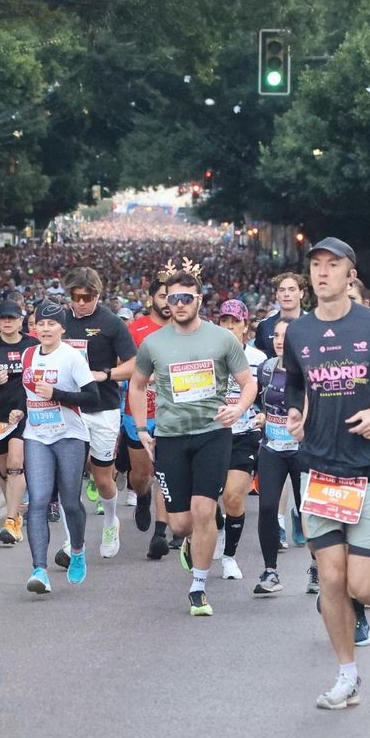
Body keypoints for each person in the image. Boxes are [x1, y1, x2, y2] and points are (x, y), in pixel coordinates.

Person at [280, 237, 370, 709]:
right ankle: (347, 676)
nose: (321, 273)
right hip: (318, 466)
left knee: (361, 583)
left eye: (332, 265)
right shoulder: (298, 331)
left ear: (350, 275)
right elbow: (295, 379)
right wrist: (296, 414)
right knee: (331, 580)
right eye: (315, 265)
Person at [129, 264, 255, 617]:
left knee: (204, 510)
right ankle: (190, 542)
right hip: (170, 436)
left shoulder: (223, 339)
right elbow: (137, 386)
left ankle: (198, 586)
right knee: (181, 522)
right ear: (165, 301)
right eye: (173, 298)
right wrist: (142, 429)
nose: (179, 304)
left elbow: (249, 383)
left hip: (212, 434)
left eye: (186, 298)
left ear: (199, 300)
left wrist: (238, 409)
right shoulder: (153, 343)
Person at [18, 301, 98, 593]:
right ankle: (39, 570)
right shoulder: (28, 355)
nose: (46, 329)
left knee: (70, 501)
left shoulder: (72, 358)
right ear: (35, 327)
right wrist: (18, 411)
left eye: (52, 324)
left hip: (69, 436)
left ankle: (77, 550)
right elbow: (24, 393)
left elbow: (93, 397)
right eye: (41, 323)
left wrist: (58, 394)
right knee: (38, 501)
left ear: (62, 328)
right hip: (37, 435)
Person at [60, 267, 137, 559]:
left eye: (87, 297)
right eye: (76, 297)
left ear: (98, 295)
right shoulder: (61, 319)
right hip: (69, 407)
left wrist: (105, 375)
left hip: (103, 407)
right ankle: (71, 541)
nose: (80, 302)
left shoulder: (111, 323)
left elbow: (133, 364)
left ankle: (110, 522)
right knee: (68, 478)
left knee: (103, 478)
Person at [215, 298, 267, 581]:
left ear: (246, 326)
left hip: (244, 434)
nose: (230, 326)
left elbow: (269, 397)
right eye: (225, 321)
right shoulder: (208, 354)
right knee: (208, 500)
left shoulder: (259, 360)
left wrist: (264, 415)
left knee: (233, 496)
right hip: (211, 434)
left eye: (236, 322)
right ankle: (218, 526)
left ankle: (229, 557)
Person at [253, 318, 303, 595]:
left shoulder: (307, 370)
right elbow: (263, 402)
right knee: (267, 507)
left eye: (287, 335)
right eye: (276, 335)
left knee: (309, 512)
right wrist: (262, 415)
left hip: (301, 450)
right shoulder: (267, 368)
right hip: (272, 447)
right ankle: (270, 571)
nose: (280, 340)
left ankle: (316, 569)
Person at [0, 300, 37, 547]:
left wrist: (23, 409)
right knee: (4, 469)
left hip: (25, 414)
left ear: (20, 320)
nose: (7, 322)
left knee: (16, 463)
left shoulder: (32, 346)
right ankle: (14, 513)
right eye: (3, 318)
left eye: (12, 318)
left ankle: (11, 519)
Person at [125, 276, 172, 558]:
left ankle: (160, 533)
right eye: (163, 296)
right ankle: (141, 496)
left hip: (171, 414)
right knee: (142, 476)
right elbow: (125, 366)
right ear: (151, 297)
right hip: (139, 412)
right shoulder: (136, 329)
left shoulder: (185, 328)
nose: (169, 303)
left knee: (163, 473)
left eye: (174, 297)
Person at [253, 272, 306, 356]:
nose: (286, 294)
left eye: (292, 290)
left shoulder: (314, 323)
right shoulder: (265, 325)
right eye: (282, 290)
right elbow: (258, 359)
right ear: (277, 295)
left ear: (301, 293)